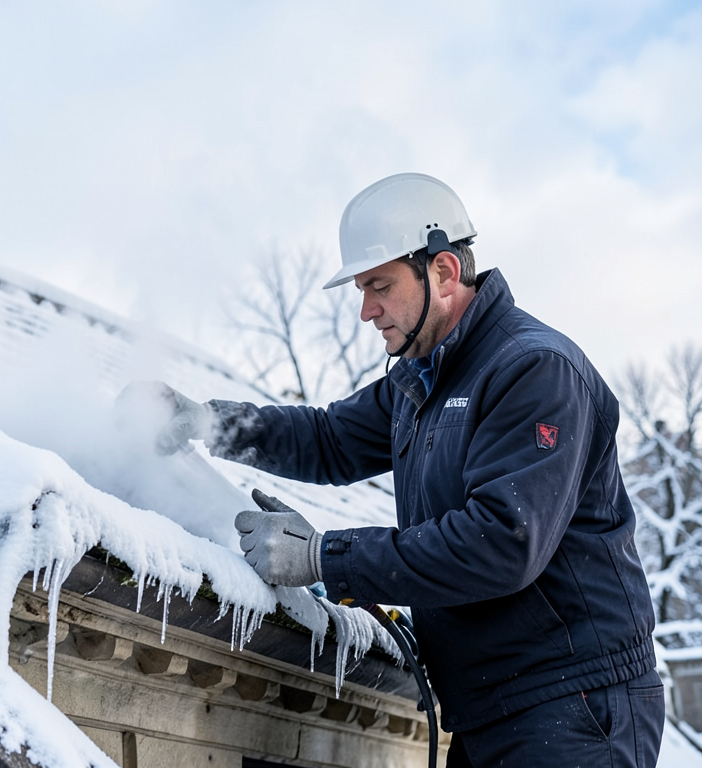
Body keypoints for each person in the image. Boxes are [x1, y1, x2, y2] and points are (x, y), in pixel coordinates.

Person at [125, 173, 665, 767]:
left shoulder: (534, 370)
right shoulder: (421, 381)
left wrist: (323, 557)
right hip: (492, 709)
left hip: (574, 707)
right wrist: (209, 421)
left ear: (443, 271)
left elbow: (503, 543)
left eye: (379, 286)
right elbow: (329, 437)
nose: (365, 311)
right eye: (361, 289)